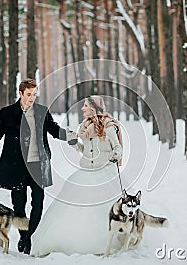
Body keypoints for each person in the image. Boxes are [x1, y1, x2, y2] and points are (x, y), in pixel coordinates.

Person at [0, 78, 76, 254]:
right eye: (29, 94)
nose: (32, 98)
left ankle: (30, 238)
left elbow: (54, 130)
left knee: (38, 203)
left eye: (34, 94)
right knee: (19, 206)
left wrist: (72, 136)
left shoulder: (42, 112)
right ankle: (23, 235)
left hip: (38, 166)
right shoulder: (7, 113)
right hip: (16, 167)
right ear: (20, 93)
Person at [30, 95, 124, 257]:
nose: (83, 108)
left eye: (86, 105)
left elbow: (118, 147)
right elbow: (85, 150)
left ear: (94, 108)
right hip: (86, 171)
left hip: (104, 173)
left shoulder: (109, 126)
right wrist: (75, 144)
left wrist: (115, 156)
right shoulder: (84, 127)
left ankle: (109, 241)